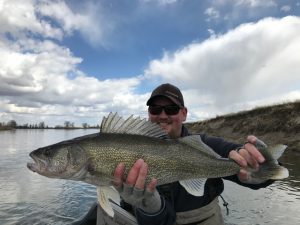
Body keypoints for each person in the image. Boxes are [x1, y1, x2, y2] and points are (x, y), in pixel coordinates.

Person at [76, 83, 273, 225]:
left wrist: (259, 162)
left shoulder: (207, 145)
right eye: (155, 109)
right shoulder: (134, 145)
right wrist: (149, 205)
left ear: (184, 113)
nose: (162, 115)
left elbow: (258, 173)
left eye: (171, 109)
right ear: (149, 113)